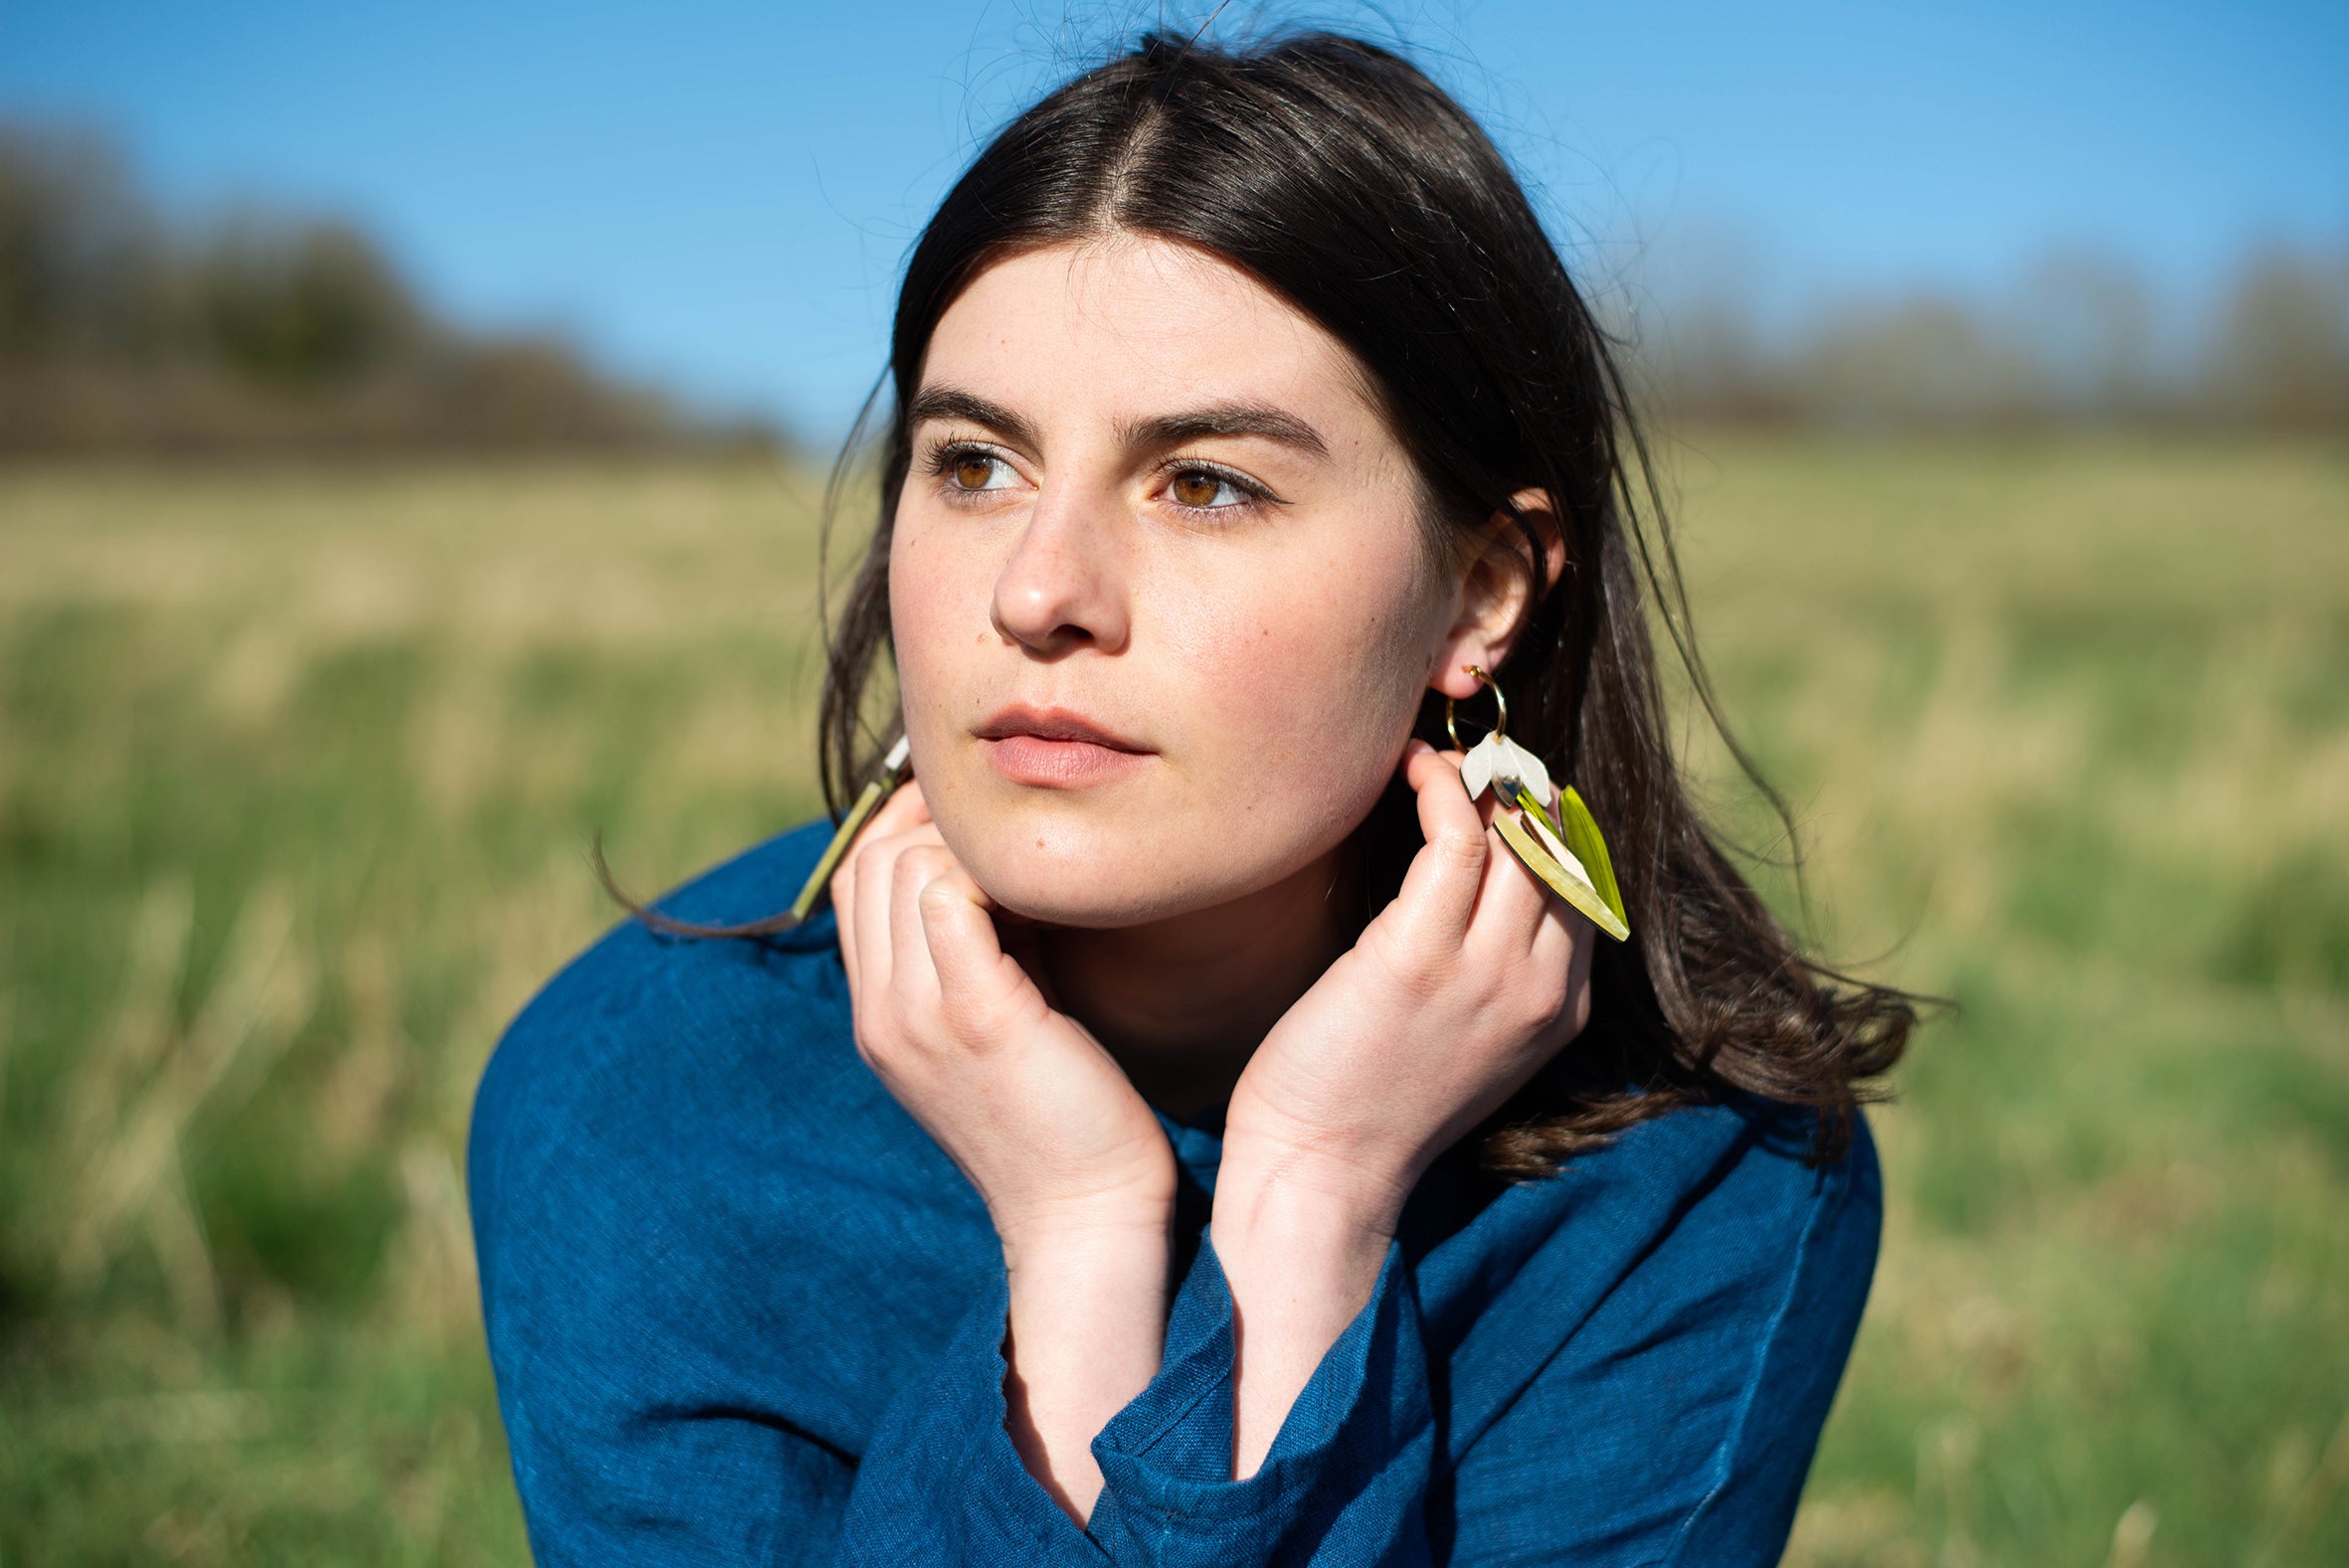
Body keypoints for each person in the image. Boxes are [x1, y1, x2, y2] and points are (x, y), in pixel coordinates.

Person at [467, 28, 1917, 1566]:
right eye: (973, 464)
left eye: (1205, 482)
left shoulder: (1695, 1176)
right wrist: (1080, 1236)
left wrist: (1312, 1200)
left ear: (1477, 594)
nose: (1036, 589)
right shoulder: (638, 1105)